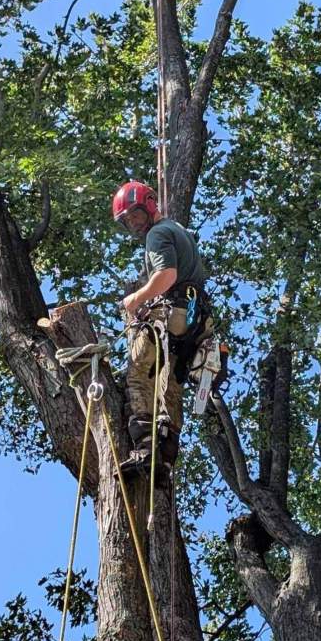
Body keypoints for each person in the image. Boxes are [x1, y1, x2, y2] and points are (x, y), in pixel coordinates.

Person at [112, 180, 212, 478]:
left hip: (175, 313)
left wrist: (135, 299)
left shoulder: (158, 234)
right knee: (169, 385)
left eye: (136, 215)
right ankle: (164, 461)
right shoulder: (179, 231)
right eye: (128, 221)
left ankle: (144, 448)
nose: (134, 224)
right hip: (194, 322)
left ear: (150, 205)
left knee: (140, 372)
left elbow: (166, 276)